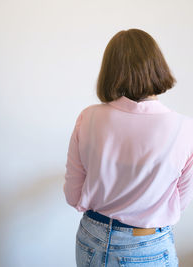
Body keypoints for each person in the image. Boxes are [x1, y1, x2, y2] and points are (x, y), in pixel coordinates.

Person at [63, 29, 193, 266]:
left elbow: (73, 195)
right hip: (146, 244)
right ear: (157, 66)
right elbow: (179, 203)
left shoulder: (88, 117)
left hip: (91, 237)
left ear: (110, 71)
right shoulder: (185, 129)